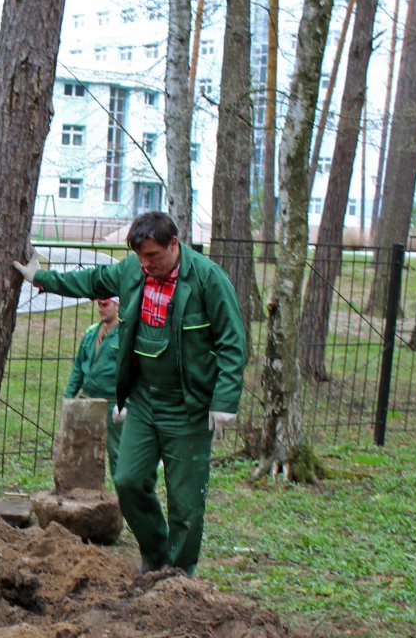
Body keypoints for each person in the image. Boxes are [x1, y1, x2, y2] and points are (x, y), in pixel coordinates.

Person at [13, 212, 246, 577]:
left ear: (174, 244)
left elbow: (233, 341)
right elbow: (90, 280)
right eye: (140, 256)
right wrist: (41, 277)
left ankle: (179, 574)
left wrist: (224, 400)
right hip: (144, 402)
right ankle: (155, 555)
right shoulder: (134, 271)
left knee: (186, 501)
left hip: (188, 406)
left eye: (152, 255)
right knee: (128, 480)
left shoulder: (207, 279)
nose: (145, 263)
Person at [65, 296, 122, 477]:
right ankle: (86, 492)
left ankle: (124, 498)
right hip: (88, 401)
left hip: (113, 403)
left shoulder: (125, 334)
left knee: (117, 453)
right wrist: (69, 396)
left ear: (117, 305)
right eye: (99, 304)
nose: (101, 308)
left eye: (106, 304)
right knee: (84, 451)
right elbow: (78, 368)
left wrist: (126, 401)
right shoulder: (91, 332)